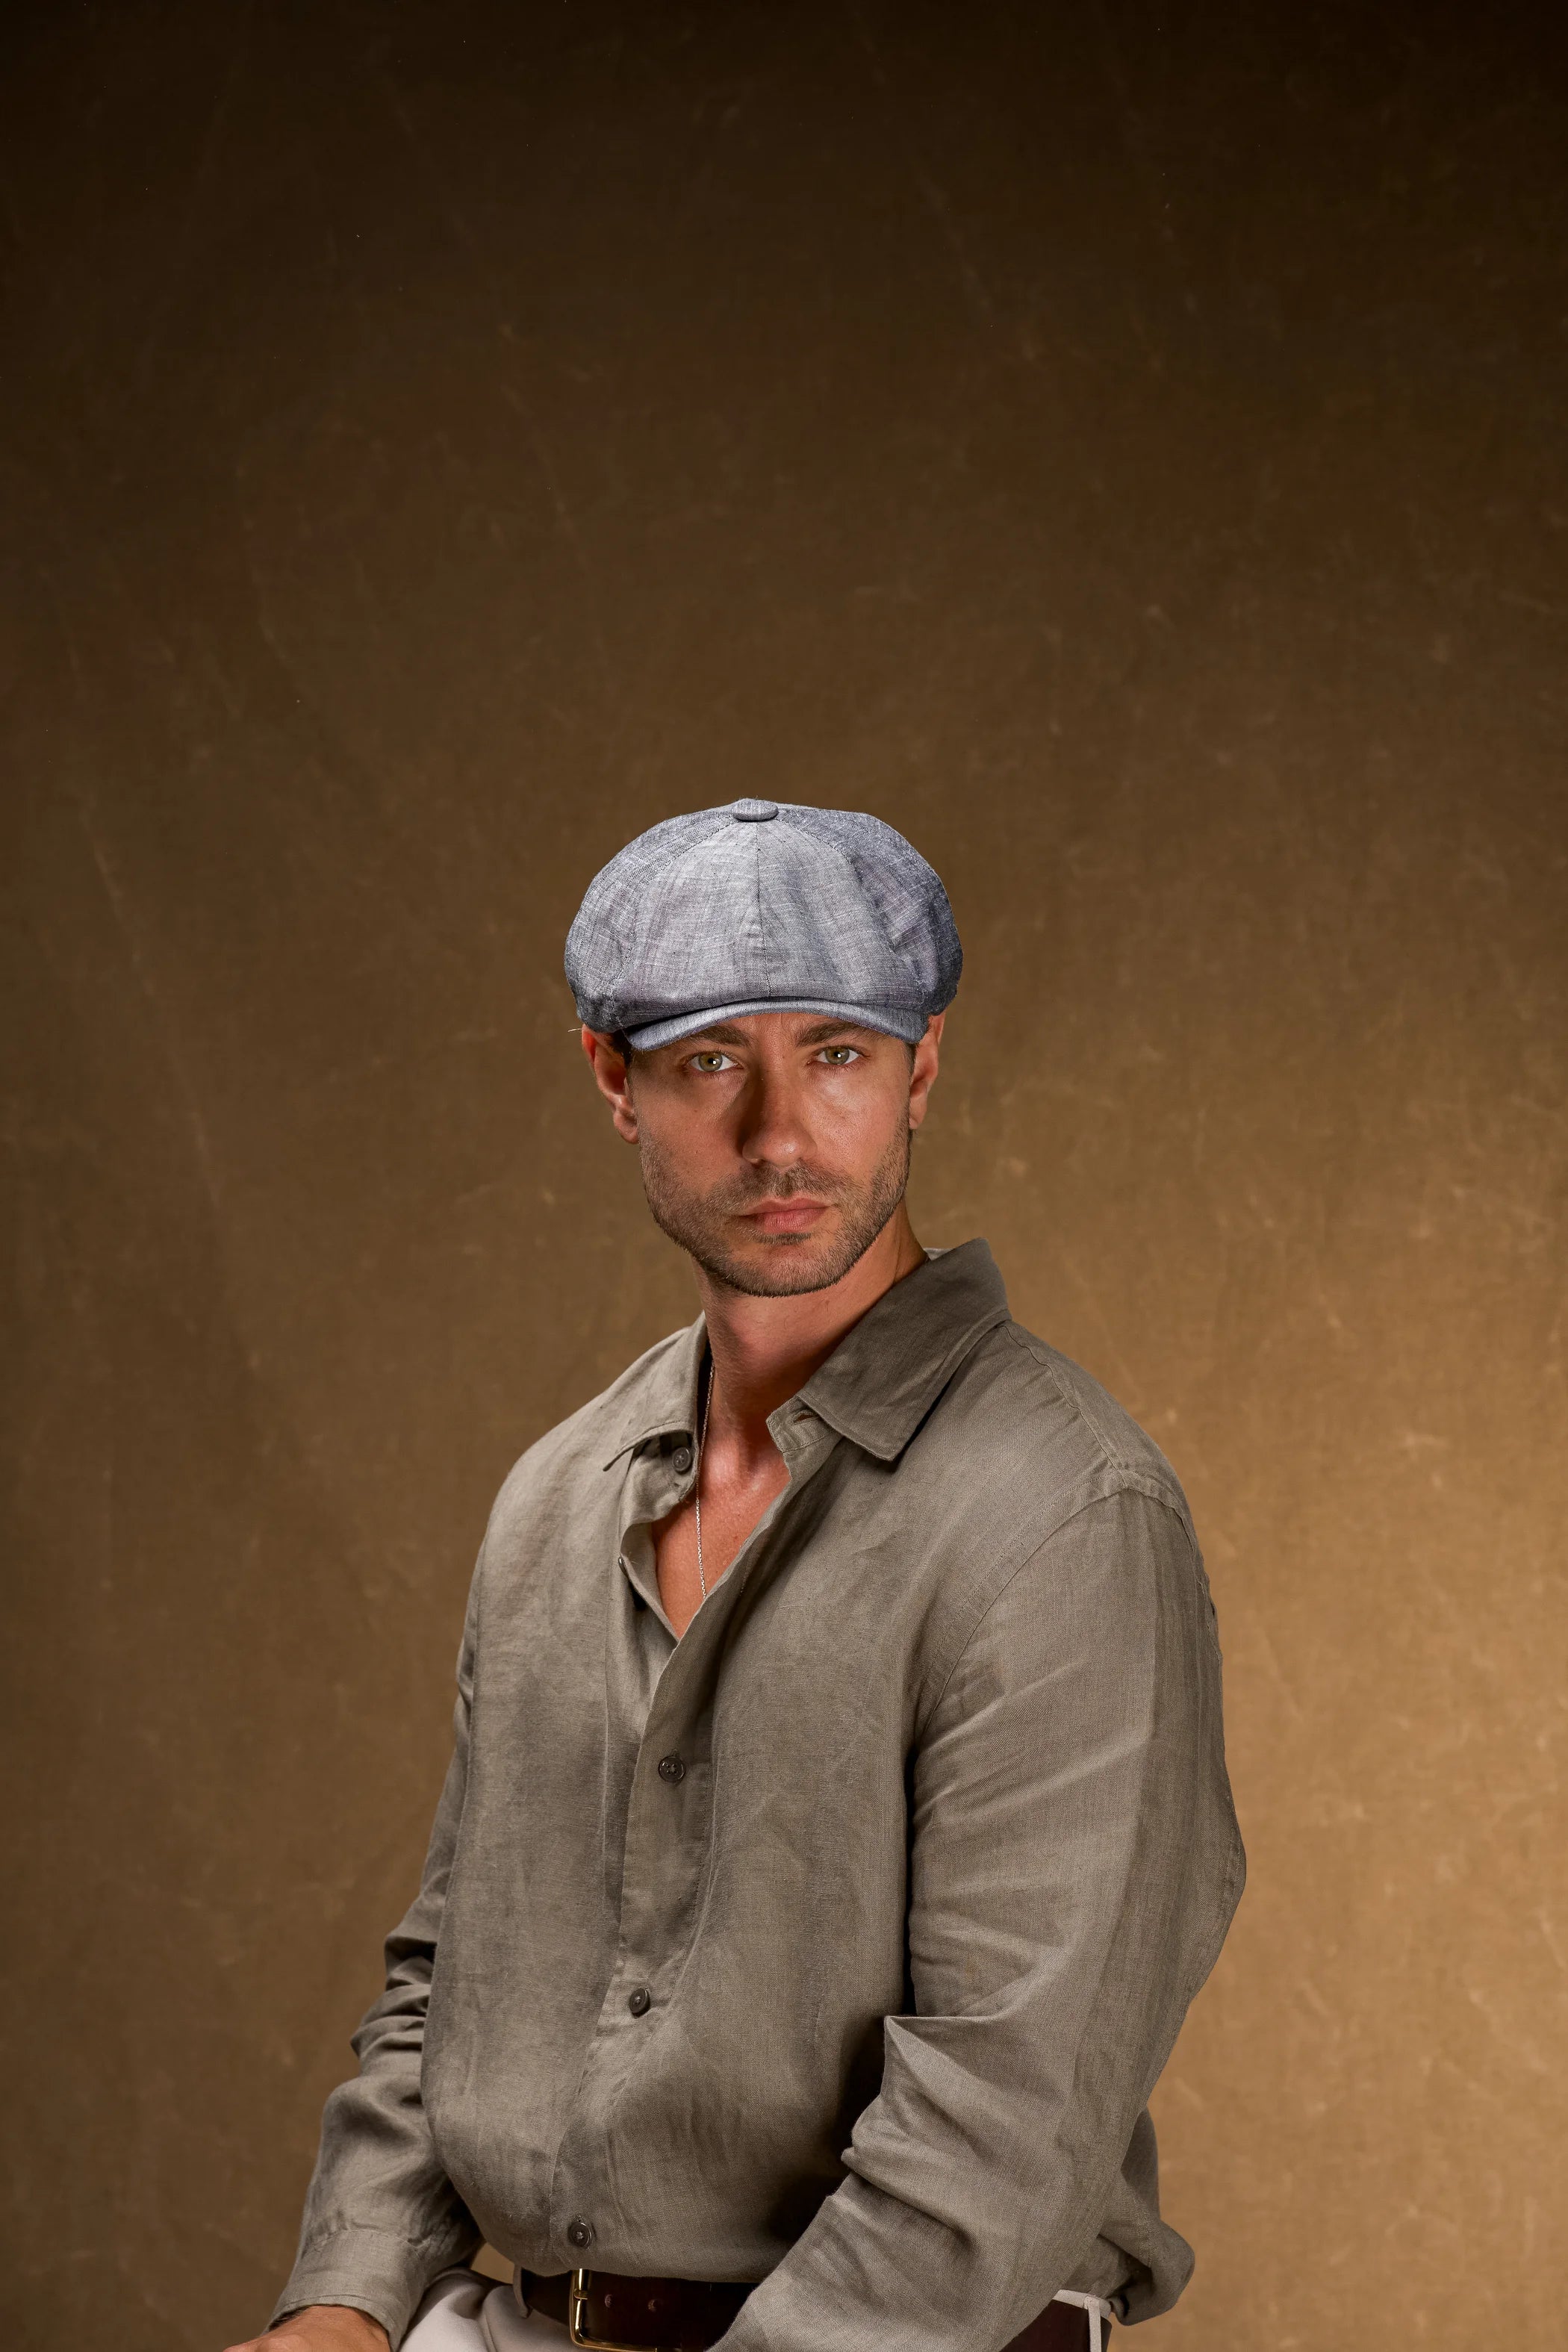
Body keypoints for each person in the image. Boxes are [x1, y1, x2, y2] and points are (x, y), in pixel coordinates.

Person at [231, 799, 1243, 2352]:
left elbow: (1003, 2132)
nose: (779, 1133)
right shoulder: (556, 1500)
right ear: (611, 1079)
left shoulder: (1064, 1517)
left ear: (922, 1065)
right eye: (711, 1060)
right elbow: (454, 1981)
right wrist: (344, 2307)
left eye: (836, 1052)